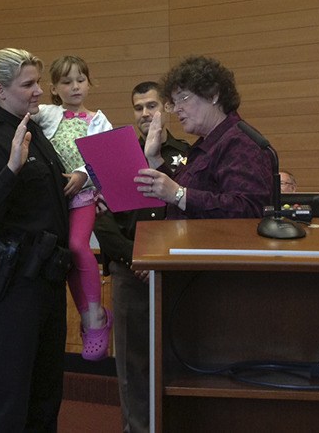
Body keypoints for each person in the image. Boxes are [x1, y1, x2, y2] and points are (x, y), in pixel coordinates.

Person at [0, 55, 114, 361]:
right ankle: (92, 317)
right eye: (29, 84)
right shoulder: (31, 120)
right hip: (18, 272)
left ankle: (94, 316)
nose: (38, 91)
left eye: (80, 80)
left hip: (70, 223)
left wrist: (88, 179)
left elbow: (106, 161)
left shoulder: (76, 125)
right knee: (14, 381)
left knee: (76, 246)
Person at [0, 48, 71, 432]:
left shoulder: (33, 130)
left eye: (38, 82)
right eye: (29, 84)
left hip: (46, 280)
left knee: (45, 395)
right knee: (10, 398)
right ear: (0, 90)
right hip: (12, 287)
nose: (39, 91)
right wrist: (10, 170)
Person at [93, 81, 190, 433]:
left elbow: (192, 213)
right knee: (133, 364)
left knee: (178, 358)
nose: (145, 113)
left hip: (174, 272)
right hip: (130, 271)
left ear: (165, 107)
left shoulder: (187, 156)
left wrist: (159, 261)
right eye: (138, 108)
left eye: (151, 106)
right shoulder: (120, 157)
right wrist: (137, 260)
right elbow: (102, 222)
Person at [135, 55, 273, 220]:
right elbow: (176, 193)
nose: (177, 109)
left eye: (183, 99)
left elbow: (249, 209)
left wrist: (179, 195)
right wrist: (155, 158)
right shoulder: (207, 143)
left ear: (213, 95)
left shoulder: (240, 142)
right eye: (174, 102)